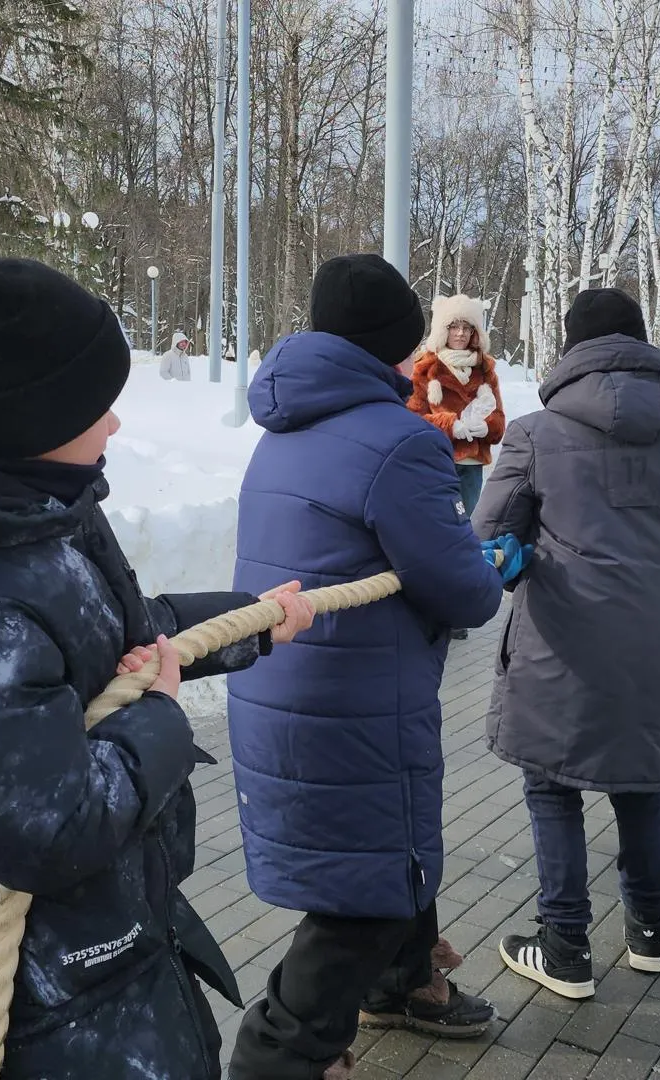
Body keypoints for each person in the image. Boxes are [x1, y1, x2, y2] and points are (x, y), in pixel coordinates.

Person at [0, 257, 313, 1079]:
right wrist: (158, 718)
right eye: (93, 405)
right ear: (32, 417)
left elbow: (114, 642)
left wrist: (252, 622)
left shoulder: (27, 509)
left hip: (104, 943)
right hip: (47, 998)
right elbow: (51, 829)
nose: (113, 424)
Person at [227, 255, 507, 1080]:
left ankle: (402, 985)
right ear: (400, 340)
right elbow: (465, 593)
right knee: (365, 891)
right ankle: (278, 1055)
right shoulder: (401, 440)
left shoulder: (283, 425)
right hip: (355, 701)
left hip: (284, 682)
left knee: (379, 855)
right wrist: (488, 566)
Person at [473, 287, 660, 1000]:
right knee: (644, 782)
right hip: (659, 642)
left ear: (572, 349)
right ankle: (651, 931)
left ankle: (566, 945)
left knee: (552, 786)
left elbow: (488, 533)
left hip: (563, 643)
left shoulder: (535, 434)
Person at [406, 293, 506, 519]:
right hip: (436, 462)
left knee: (465, 524)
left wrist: (487, 426)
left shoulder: (485, 370)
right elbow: (412, 420)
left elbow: (499, 422)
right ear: (443, 329)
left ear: (474, 332)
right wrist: (451, 425)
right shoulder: (425, 367)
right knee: (435, 523)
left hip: (471, 467)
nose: (460, 333)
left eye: (466, 327)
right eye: (454, 326)